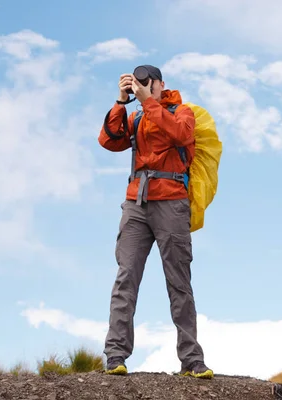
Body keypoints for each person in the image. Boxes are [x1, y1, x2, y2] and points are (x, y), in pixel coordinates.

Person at [98, 64, 213, 379]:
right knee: (125, 279)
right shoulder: (134, 117)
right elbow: (108, 141)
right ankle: (115, 357)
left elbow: (180, 134)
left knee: (179, 283)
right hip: (136, 204)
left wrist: (148, 101)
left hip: (172, 204)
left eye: (150, 82)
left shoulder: (182, 112)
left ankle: (192, 361)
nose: (145, 87)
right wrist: (121, 103)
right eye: (140, 83)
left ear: (162, 83)